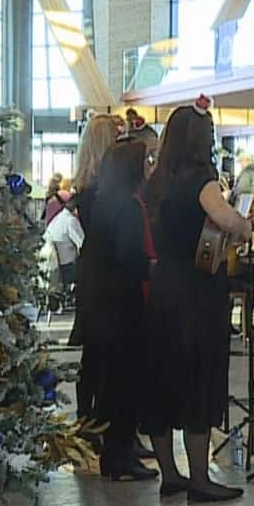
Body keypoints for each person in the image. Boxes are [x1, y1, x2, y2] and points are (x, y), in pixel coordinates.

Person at [142, 100, 252, 503]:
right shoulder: (201, 178)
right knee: (197, 377)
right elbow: (226, 219)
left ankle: (170, 473)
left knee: (162, 378)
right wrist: (245, 224)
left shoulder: (157, 179)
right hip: (197, 290)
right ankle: (201, 478)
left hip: (164, 285)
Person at [86, 139, 158, 483]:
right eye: (145, 160)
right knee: (124, 384)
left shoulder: (102, 202)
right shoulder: (128, 207)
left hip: (103, 305)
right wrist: (154, 266)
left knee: (111, 384)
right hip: (124, 306)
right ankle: (120, 456)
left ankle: (118, 450)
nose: (149, 165)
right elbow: (131, 259)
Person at [68, 112, 123, 421]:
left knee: (94, 354)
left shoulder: (86, 188)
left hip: (92, 273)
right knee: (101, 353)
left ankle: (88, 418)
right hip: (103, 277)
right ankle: (95, 420)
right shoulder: (99, 192)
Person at [43, 204, 84, 289]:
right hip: (66, 266)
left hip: (52, 264)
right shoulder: (71, 221)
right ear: (76, 209)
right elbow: (83, 244)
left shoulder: (59, 217)